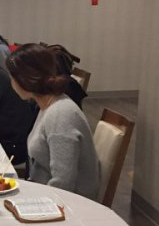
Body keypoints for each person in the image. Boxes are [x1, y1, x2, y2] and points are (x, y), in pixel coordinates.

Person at [7, 44, 99, 199]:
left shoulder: (61, 115)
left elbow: (63, 183)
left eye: (12, 78)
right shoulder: (46, 105)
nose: (11, 84)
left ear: (25, 80)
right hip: (44, 192)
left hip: (68, 204)